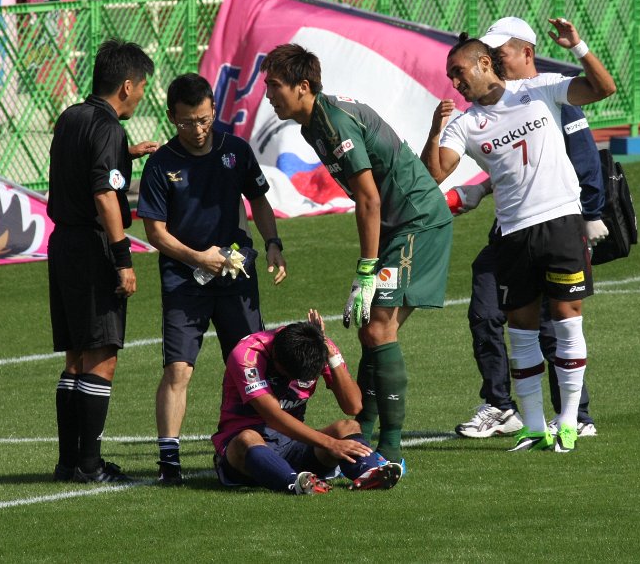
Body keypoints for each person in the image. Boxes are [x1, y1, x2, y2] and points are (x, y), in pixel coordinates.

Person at [422, 18, 615, 453]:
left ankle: (570, 421)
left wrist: (578, 46)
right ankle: (531, 426)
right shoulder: (465, 125)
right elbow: (434, 174)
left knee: (566, 320)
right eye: (450, 77)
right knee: (522, 333)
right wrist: (435, 129)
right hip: (512, 234)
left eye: (459, 72)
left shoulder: (539, 89)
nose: (455, 83)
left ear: (484, 64)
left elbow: (603, 88)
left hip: (561, 223)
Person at [261, 43, 453, 466]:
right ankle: (363, 433)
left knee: (379, 328)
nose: (268, 94)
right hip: (398, 225)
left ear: (303, 86)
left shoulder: (333, 122)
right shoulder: (315, 123)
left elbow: (368, 198)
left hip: (417, 222)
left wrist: (367, 268)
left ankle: (391, 450)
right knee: (371, 328)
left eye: (274, 85)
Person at [136, 72, 288, 487]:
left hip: (236, 275)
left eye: (204, 119)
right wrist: (197, 258)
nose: (198, 129)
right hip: (184, 282)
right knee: (179, 369)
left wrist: (273, 243)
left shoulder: (235, 150)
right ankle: (169, 461)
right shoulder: (161, 164)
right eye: (187, 122)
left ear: (214, 110)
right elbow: (155, 233)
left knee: (250, 365)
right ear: (172, 117)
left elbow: (258, 200)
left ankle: (259, 444)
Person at [46, 39, 158, 483]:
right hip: (93, 248)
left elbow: (82, 165)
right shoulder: (109, 127)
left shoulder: (71, 117)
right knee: (101, 356)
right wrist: (123, 258)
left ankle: (69, 463)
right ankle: (91, 467)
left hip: (63, 245)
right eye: (142, 86)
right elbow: (105, 195)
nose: (142, 94)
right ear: (127, 86)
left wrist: (125, 155)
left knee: (76, 356)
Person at [212, 309, 403, 494]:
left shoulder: (316, 348)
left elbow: (353, 406)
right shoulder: (247, 355)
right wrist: (331, 444)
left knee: (348, 427)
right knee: (247, 437)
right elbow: (273, 417)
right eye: (288, 375)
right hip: (243, 454)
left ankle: (369, 474)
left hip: (292, 444)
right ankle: (294, 482)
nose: (291, 381)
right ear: (275, 357)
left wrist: (332, 358)